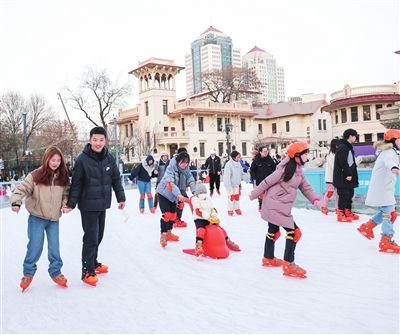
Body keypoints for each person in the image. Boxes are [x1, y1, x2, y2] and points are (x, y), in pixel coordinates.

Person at [64, 126, 126, 287]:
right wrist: (71, 203)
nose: (98, 143)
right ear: (89, 140)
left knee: (99, 236)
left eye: (101, 140)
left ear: (106, 141)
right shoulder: (82, 159)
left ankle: (94, 262)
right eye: (95, 140)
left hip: (102, 203)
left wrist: (121, 197)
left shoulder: (109, 158)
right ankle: (87, 270)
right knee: (91, 237)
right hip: (88, 205)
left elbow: (115, 179)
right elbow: (76, 184)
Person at [249, 142, 320, 278]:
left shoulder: (298, 169)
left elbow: (305, 187)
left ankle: (268, 257)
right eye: (305, 154)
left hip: (278, 204)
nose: (307, 156)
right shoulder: (285, 168)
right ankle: (289, 264)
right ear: (297, 155)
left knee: (273, 231)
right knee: (295, 233)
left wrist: (315, 200)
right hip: (275, 204)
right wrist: (255, 193)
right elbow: (267, 181)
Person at [11, 146, 70, 291]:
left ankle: (56, 272)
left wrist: (65, 205)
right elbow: (21, 189)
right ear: (46, 159)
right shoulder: (35, 175)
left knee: (54, 248)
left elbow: (66, 194)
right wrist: (16, 202)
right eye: (52, 159)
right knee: (35, 246)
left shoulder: (63, 177)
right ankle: (28, 273)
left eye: (58, 160)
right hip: (37, 217)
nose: (55, 163)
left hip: (54, 219)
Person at [357, 129, 400, 253]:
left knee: (388, 213)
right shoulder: (388, 152)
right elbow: (390, 163)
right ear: (393, 140)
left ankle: (367, 226)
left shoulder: (391, 152)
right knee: (389, 214)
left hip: (384, 188)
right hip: (382, 189)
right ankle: (386, 239)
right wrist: (395, 169)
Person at [155, 151, 196, 248]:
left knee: (173, 216)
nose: (185, 164)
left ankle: (169, 233)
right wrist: (179, 195)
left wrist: (194, 191)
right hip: (164, 193)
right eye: (183, 162)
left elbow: (190, 178)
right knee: (167, 215)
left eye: (187, 162)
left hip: (174, 195)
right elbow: (170, 183)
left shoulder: (186, 169)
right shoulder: (171, 168)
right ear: (178, 161)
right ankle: (163, 235)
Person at [191, 183, 240, 256]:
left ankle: (227, 241)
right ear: (197, 193)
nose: (203, 194)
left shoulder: (208, 199)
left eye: (204, 192)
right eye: (201, 192)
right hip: (200, 219)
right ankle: (199, 245)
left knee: (221, 229)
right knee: (201, 230)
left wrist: (213, 216)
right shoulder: (195, 199)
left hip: (210, 218)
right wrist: (208, 216)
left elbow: (212, 208)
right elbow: (198, 211)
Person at [333, 128, 359, 222]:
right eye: (355, 136)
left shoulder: (347, 147)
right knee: (343, 195)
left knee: (349, 194)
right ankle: (341, 214)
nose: (356, 138)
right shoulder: (343, 147)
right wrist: (348, 173)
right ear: (350, 136)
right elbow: (342, 162)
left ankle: (347, 212)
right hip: (343, 177)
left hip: (349, 176)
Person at [250, 146, 276, 211]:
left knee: (269, 194)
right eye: (264, 151)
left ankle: (268, 206)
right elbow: (252, 170)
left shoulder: (270, 159)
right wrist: (254, 178)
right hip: (260, 180)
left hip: (269, 180)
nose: (266, 153)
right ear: (260, 152)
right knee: (261, 195)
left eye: (267, 151)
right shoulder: (256, 160)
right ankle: (261, 206)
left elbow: (275, 168)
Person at [320, 139, 339, 215]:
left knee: (339, 194)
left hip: (337, 177)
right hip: (330, 178)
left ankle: (338, 208)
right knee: (329, 193)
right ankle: (323, 206)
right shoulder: (331, 154)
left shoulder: (336, 154)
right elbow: (334, 166)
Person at [223, 150, 243, 216]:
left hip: (236, 184)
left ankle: (237, 208)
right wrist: (228, 186)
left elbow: (240, 173)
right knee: (231, 197)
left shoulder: (239, 164)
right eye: (238, 157)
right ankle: (230, 209)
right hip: (230, 184)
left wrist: (240, 182)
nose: (239, 158)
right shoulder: (228, 165)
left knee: (237, 197)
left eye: (239, 157)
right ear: (234, 157)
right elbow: (227, 176)